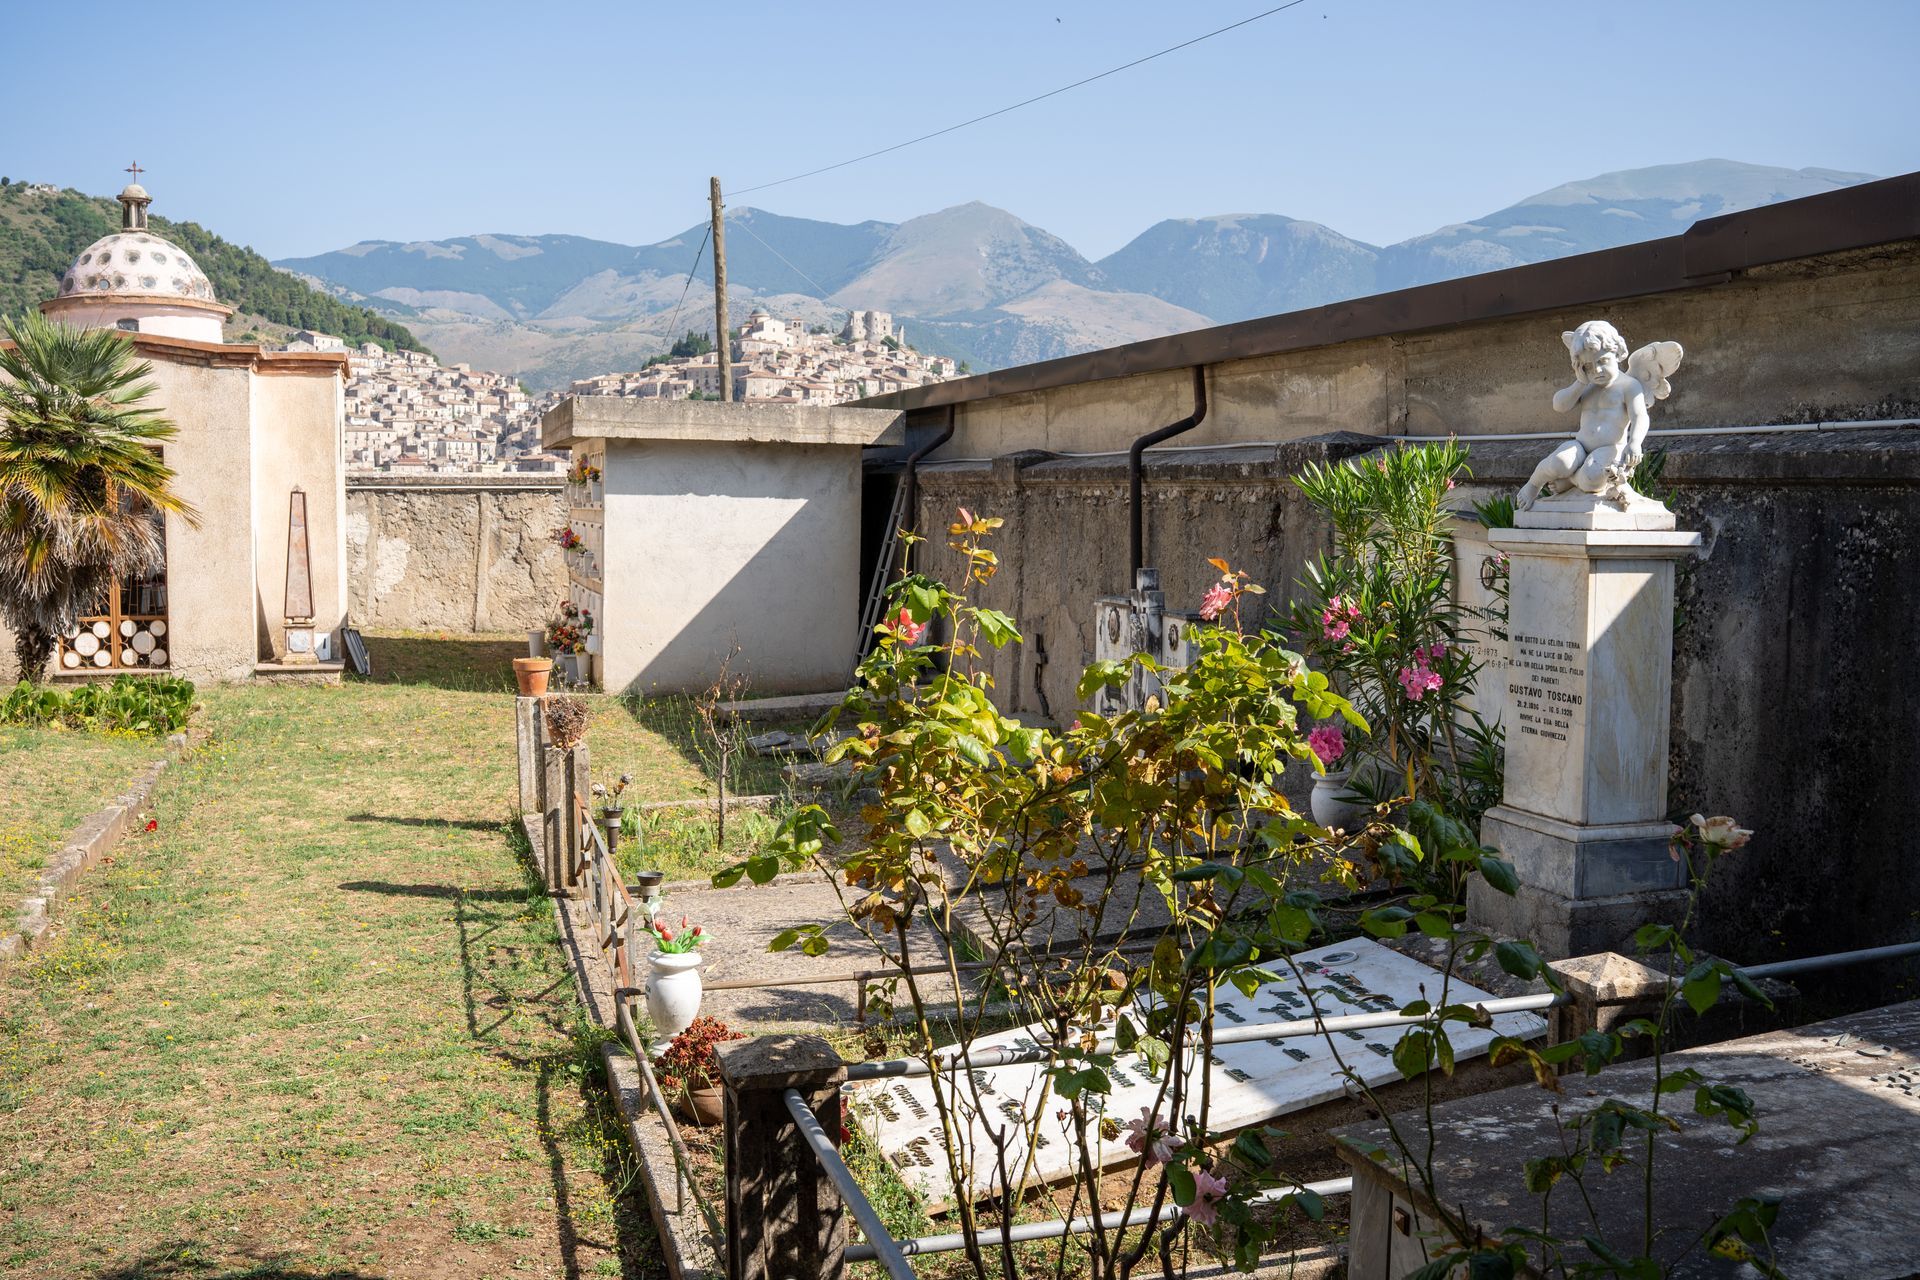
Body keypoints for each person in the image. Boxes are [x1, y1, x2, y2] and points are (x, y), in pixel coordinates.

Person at [1516, 320, 1681, 511]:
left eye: (1603, 361)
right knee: (1558, 461)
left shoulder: (1629, 386)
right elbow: (1559, 405)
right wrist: (1580, 382)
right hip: (1580, 445)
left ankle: (1572, 480)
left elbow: (1640, 416)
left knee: (1591, 479)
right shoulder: (1587, 385)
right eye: (1588, 366)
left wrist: (1634, 443)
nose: (1597, 371)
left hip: (1610, 449)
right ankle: (1533, 485)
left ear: (1617, 353)